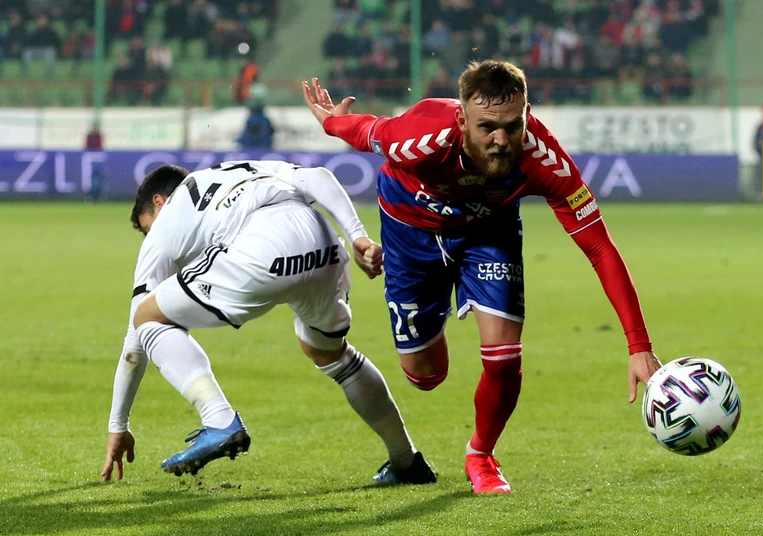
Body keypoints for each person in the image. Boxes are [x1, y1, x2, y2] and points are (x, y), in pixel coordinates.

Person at [302, 60, 662, 494]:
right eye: (487, 126)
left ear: (526, 115)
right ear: (461, 120)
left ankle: (482, 455)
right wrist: (331, 121)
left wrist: (639, 346)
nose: (501, 140)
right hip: (411, 231)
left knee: (505, 356)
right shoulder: (420, 137)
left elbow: (600, 247)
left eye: (512, 126)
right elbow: (364, 130)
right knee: (424, 376)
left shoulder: (543, 158)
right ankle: (431, 295)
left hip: (488, 231)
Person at [100, 160, 437, 486]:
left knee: (147, 317)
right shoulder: (240, 169)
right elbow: (318, 177)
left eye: (146, 228)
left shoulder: (165, 225)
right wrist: (358, 236)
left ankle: (218, 418)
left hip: (260, 247)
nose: (149, 237)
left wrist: (118, 423)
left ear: (159, 202)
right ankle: (406, 460)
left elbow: (135, 340)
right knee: (330, 354)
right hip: (322, 242)